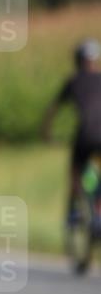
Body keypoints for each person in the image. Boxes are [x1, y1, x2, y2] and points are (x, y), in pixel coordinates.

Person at [41, 39, 101, 223]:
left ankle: (75, 212)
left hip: (85, 135)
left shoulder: (73, 81)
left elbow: (53, 108)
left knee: (76, 171)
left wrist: (46, 132)